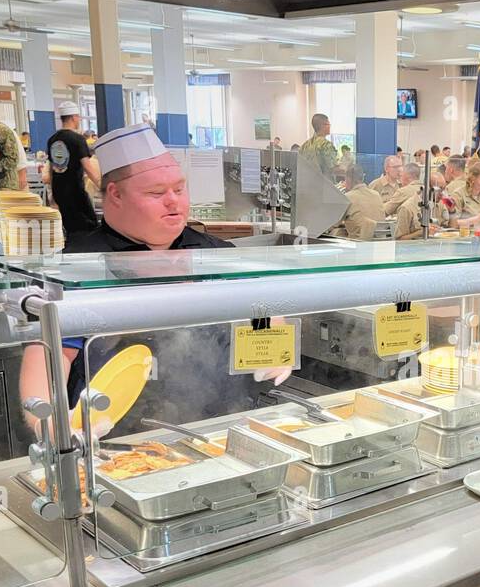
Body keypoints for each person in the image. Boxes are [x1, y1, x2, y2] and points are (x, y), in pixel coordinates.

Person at [20, 123, 283, 436]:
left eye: (179, 189)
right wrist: (49, 425)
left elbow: (262, 311)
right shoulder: (81, 265)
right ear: (115, 194)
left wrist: (272, 349)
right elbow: (50, 354)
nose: (173, 201)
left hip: (219, 428)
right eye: (156, 193)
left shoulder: (215, 253)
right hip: (117, 437)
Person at [43, 101, 101, 235]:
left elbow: (52, 168)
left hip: (59, 191)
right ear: (74, 117)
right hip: (75, 191)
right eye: (78, 117)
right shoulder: (77, 139)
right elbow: (88, 167)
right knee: (89, 228)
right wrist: (101, 186)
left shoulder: (52, 139)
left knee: (70, 228)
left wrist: (52, 194)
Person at [332, 165, 386, 240]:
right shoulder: (377, 194)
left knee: (336, 232)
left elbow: (333, 223)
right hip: (380, 242)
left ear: (348, 179)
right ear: (363, 178)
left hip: (359, 244)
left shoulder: (348, 197)